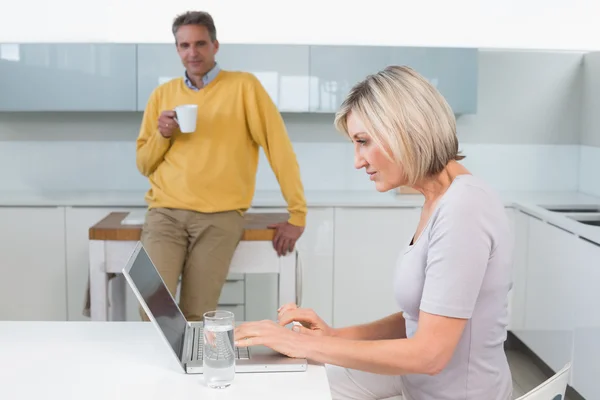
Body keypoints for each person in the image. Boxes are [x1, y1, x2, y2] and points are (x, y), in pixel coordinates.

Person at [234, 66, 514, 400]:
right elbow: (421, 317)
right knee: (287, 382)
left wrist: (305, 343)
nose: (357, 161)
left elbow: (430, 354)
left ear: (405, 130)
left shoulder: (463, 208)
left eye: (363, 142)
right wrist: (333, 337)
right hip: (413, 385)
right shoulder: (439, 199)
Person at [135, 10, 307, 322]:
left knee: (196, 314)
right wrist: (163, 134)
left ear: (215, 45)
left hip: (220, 218)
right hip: (165, 215)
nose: (193, 52)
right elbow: (144, 165)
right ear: (177, 50)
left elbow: (278, 149)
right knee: (151, 309)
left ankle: (190, 371)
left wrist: (297, 213)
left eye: (200, 43)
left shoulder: (244, 87)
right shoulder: (163, 95)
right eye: (185, 45)